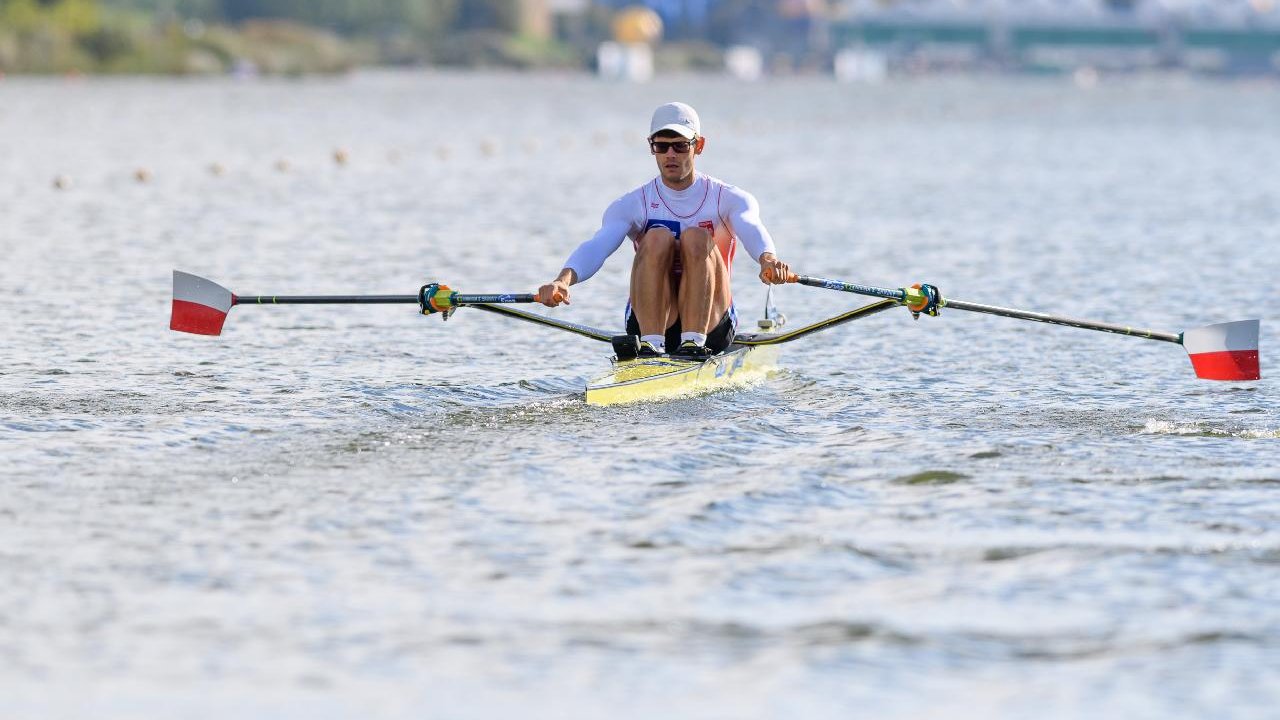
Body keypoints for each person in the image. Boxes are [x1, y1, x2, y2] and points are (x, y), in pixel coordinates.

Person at [536, 102, 790, 359]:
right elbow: (598, 246)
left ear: (698, 146)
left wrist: (767, 260)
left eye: (680, 146)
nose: (671, 154)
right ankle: (651, 346)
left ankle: (693, 342)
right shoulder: (633, 204)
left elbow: (752, 228)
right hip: (651, 323)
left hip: (712, 323)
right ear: (652, 148)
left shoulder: (729, 198)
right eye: (662, 146)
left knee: (696, 238)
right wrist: (563, 280)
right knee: (656, 237)